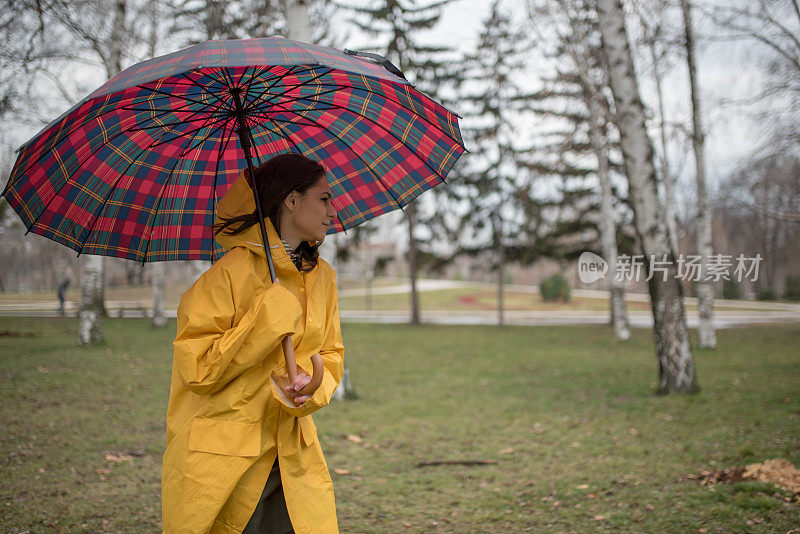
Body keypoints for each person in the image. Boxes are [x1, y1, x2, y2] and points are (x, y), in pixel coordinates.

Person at [161, 153, 344, 534]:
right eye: (324, 198)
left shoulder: (322, 277)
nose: (333, 209)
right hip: (226, 459)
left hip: (292, 452)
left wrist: (311, 387)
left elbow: (331, 354)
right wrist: (264, 321)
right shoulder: (227, 274)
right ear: (292, 200)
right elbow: (197, 369)